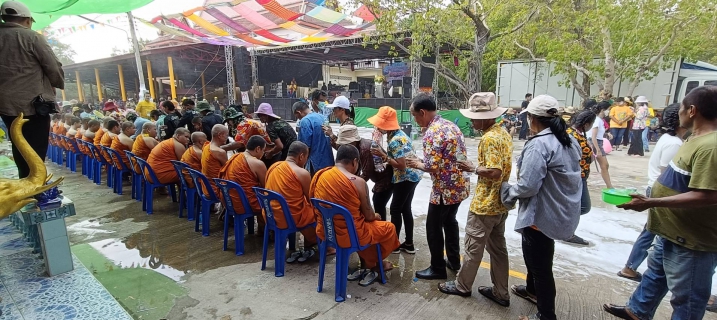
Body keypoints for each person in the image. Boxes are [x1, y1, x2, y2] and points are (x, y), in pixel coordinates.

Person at [604, 85, 717, 320]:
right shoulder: (694, 138)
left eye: (683, 108)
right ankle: (637, 311)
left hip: (691, 239)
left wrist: (651, 201)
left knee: (687, 298)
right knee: (656, 274)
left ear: (693, 110)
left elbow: (707, 195)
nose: (680, 113)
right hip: (670, 230)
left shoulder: (711, 147)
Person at [501, 95, 582, 320]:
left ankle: (546, 315)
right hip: (561, 210)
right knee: (538, 256)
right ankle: (532, 290)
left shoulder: (539, 145)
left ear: (531, 118)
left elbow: (527, 186)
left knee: (541, 267)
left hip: (541, 214)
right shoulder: (569, 139)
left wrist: (507, 191)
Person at [436, 92, 512, 307]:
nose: (471, 120)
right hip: (500, 203)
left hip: (485, 205)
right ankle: (501, 292)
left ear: (486, 117)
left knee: (472, 248)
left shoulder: (489, 139)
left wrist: (473, 168)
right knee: (498, 250)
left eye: (473, 117)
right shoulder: (502, 133)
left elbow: (495, 171)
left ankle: (462, 286)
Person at [616, 103, 686, 283]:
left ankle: (630, 267)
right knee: (653, 233)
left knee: (650, 231)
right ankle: (631, 268)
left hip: (657, 190)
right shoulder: (674, 143)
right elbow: (667, 175)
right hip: (661, 192)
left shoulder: (671, 140)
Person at [310, 145, 400, 286]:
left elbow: (313, 203)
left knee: (362, 224)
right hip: (352, 236)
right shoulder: (358, 182)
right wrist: (375, 215)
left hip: (326, 232)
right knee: (388, 228)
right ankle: (375, 263)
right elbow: (369, 216)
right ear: (354, 161)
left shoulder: (320, 175)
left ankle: (369, 263)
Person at [406, 94, 469, 280]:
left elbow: (432, 165)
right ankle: (454, 260)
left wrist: (416, 163)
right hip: (460, 185)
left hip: (444, 189)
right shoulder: (451, 126)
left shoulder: (432, 132)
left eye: (415, 116)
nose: (416, 121)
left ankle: (437, 268)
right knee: (450, 221)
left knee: (433, 227)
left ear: (423, 112)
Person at [0, 1, 64, 178]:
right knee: (35, 147)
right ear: (27, 20)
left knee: (18, 144)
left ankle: (25, 181)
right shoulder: (31, 37)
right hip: (33, 105)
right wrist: (55, 84)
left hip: (6, 106)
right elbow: (53, 66)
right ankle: (35, 187)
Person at [367, 106, 422, 254]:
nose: (377, 127)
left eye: (379, 124)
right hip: (414, 175)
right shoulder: (399, 134)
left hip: (406, 177)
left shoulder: (395, 141)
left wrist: (383, 156)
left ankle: (394, 245)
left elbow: (402, 166)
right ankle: (409, 244)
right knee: (405, 208)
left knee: (395, 209)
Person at [265, 141, 321, 260]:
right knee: (318, 211)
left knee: (304, 205)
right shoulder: (302, 173)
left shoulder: (273, 167)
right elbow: (311, 199)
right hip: (290, 218)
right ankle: (318, 244)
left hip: (270, 214)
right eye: (306, 157)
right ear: (301, 156)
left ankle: (309, 245)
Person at [335, 125, 394, 222]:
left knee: (378, 203)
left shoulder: (365, 149)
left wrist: (350, 185)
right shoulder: (356, 147)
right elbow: (357, 170)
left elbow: (366, 173)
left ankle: (382, 229)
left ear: (353, 141)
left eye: (345, 144)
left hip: (385, 179)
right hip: (377, 177)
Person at [219, 135, 268, 237]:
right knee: (268, 200)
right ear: (258, 149)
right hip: (244, 203)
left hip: (228, 200)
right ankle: (265, 232)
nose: (263, 154)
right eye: (263, 150)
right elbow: (266, 187)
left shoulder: (234, 157)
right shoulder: (257, 163)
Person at [564, 110, 598, 246]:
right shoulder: (571, 136)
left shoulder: (577, 134)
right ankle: (565, 231)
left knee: (578, 206)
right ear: (587, 124)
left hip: (581, 175)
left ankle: (565, 229)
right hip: (576, 176)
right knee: (584, 206)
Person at [293, 101, 334, 175]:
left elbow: (305, 146)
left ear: (299, 112)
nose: (298, 119)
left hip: (315, 163)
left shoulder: (305, 121)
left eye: (297, 117)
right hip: (328, 161)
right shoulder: (322, 117)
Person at [586, 100, 614, 189]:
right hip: (594, 143)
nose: (609, 111)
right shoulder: (597, 120)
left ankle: (609, 186)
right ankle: (609, 186)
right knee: (603, 165)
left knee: (603, 165)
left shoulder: (599, 120)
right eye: (608, 109)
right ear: (602, 110)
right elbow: (593, 136)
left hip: (597, 143)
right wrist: (597, 149)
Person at [201, 124, 229, 202]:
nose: (227, 138)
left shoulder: (206, 146)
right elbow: (227, 172)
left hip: (206, 187)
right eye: (226, 135)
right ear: (220, 135)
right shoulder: (219, 152)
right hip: (215, 189)